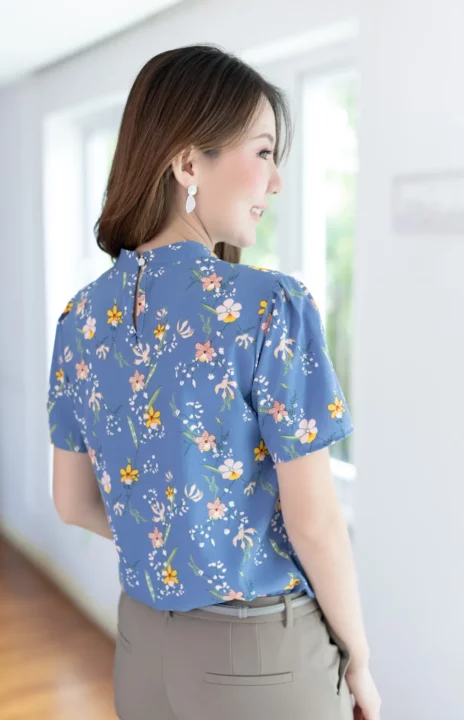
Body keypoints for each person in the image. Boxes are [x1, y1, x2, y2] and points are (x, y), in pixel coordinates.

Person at [47, 44, 381, 720]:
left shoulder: (80, 319)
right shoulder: (268, 307)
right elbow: (316, 524)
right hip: (260, 662)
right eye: (263, 153)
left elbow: (71, 502)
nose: (276, 182)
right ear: (188, 163)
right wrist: (360, 660)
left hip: (141, 653)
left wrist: (175, 544)